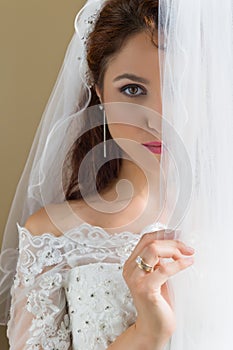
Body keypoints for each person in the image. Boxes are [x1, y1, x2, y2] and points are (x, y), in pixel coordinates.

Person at [4, 0, 233, 349]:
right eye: (133, 90)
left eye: (178, 87)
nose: (159, 118)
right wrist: (146, 334)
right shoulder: (51, 237)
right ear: (98, 91)